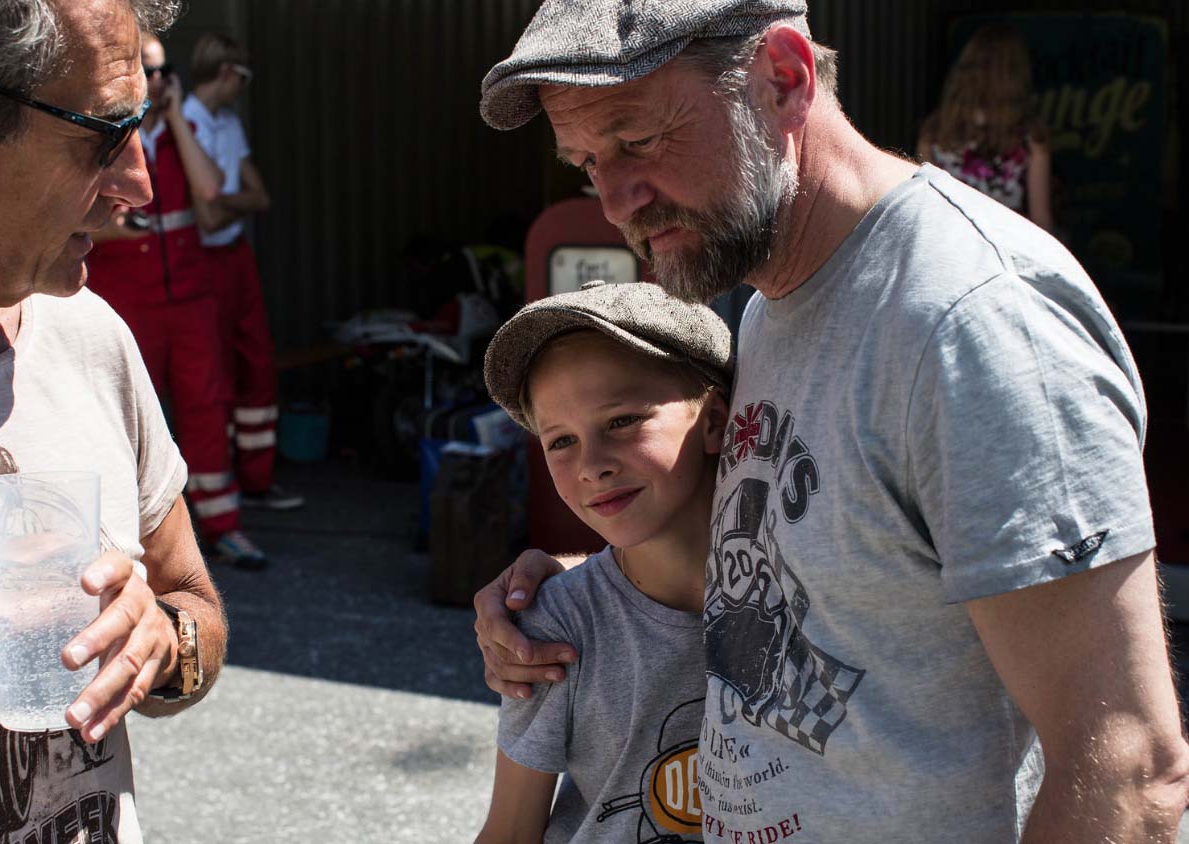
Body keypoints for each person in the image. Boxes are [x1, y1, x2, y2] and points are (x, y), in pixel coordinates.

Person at [473, 1, 1189, 841]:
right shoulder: (774, 303)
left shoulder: (971, 321)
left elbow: (1128, 769)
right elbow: (822, 565)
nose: (616, 202)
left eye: (636, 141)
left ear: (784, 79)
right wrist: (569, 585)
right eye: (588, 163)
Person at [0, 0, 227, 841]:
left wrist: (160, 643)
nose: (141, 184)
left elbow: (193, 605)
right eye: (102, 136)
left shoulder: (91, 337)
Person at [476, 281, 731, 843]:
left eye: (621, 421)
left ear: (714, 420)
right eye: (560, 441)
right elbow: (512, 831)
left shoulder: (807, 587)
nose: (592, 466)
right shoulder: (553, 628)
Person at [87, 32, 270, 569]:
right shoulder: (103, 140)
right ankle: (121, 543)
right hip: (127, 302)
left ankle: (223, 526)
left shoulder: (179, 134)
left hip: (190, 298)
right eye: (148, 70)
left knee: (206, 409)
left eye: (166, 72)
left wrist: (174, 126)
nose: (160, 81)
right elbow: (80, 224)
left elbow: (211, 191)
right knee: (123, 421)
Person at [182, 33, 304, 511]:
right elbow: (208, 217)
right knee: (213, 376)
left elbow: (260, 197)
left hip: (235, 256)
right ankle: (220, 482)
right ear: (228, 72)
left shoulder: (229, 123)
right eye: (243, 76)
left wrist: (225, 204)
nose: (242, 86)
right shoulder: (183, 124)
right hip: (200, 262)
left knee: (256, 362)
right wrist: (235, 205)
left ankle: (257, 477)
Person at [917, 23, 1054, 231]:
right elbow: (1041, 220)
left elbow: (925, 206)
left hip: (952, 245)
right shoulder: (1030, 138)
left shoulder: (935, 131)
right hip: (1005, 248)